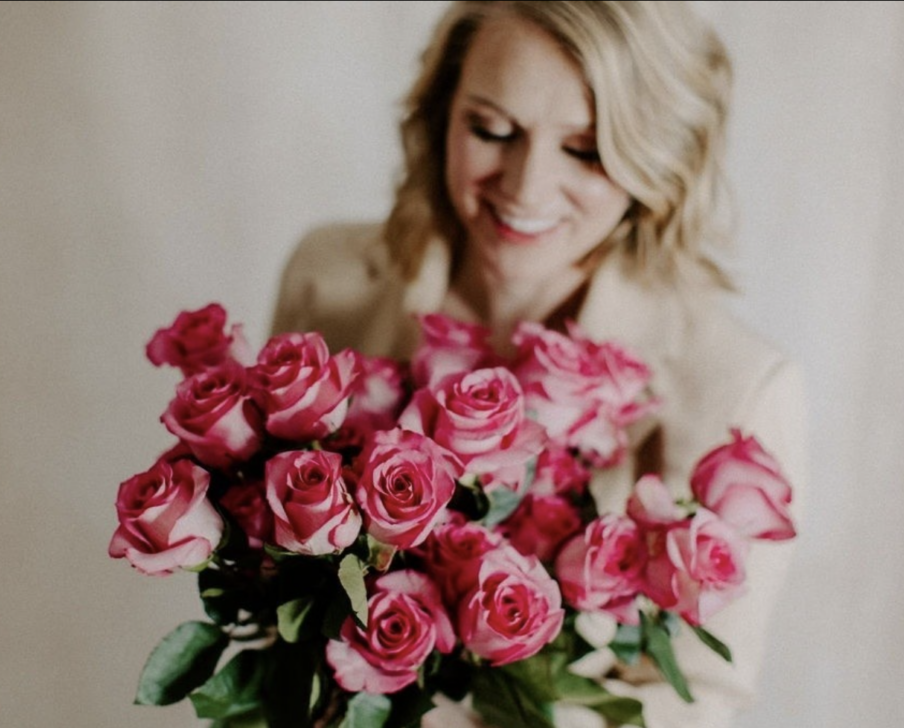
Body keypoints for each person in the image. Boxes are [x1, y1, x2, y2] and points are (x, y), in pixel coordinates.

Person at [270, 2, 807, 726]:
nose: (524, 188)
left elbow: (694, 702)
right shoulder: (325, 277)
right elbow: (272, 598)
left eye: (585, 150)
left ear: (658, 156)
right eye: (491, 129)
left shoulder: (740, 387)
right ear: (440, 112)